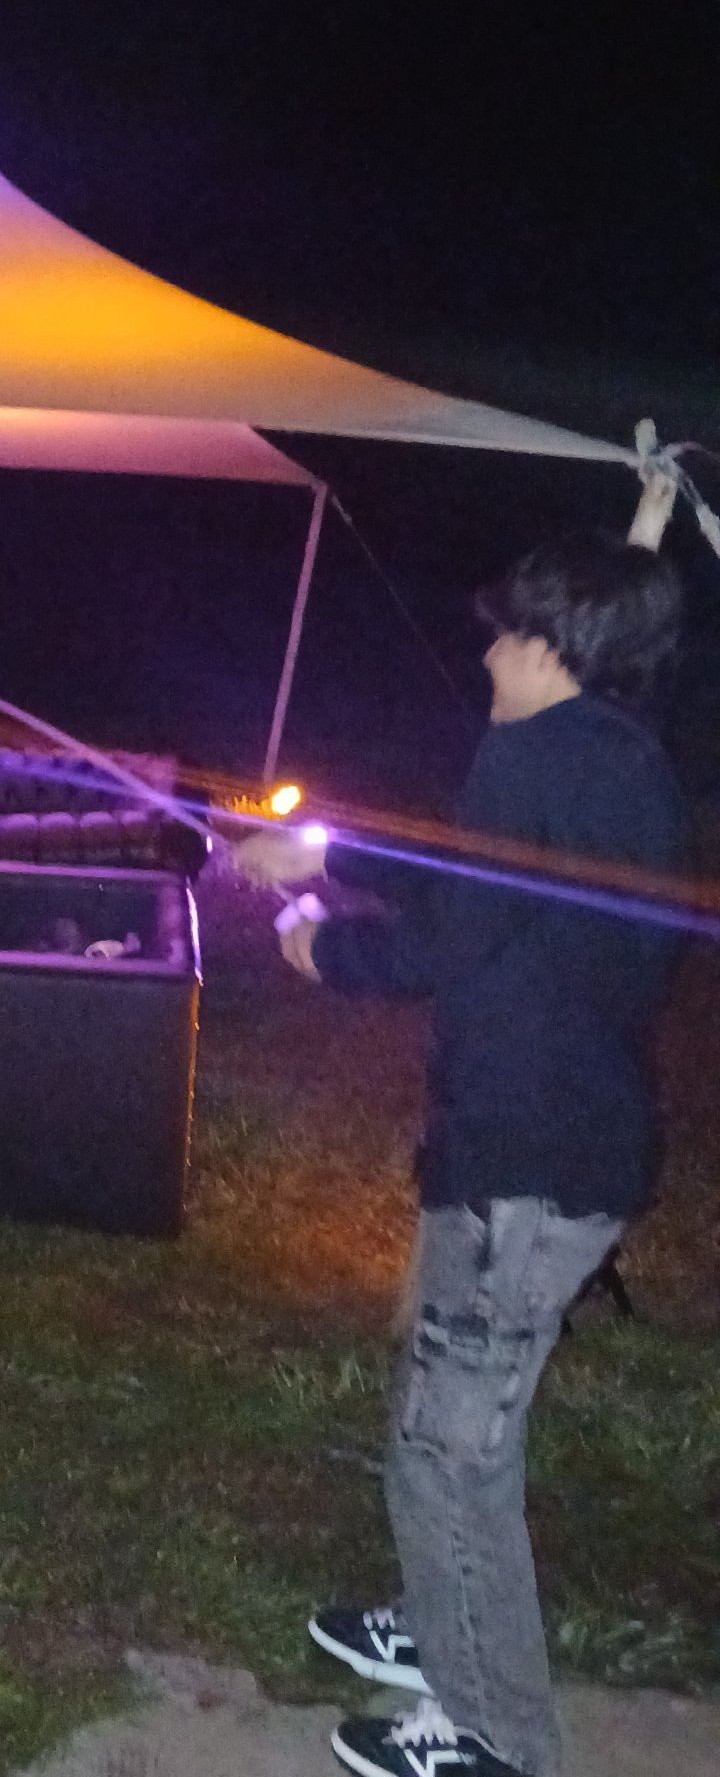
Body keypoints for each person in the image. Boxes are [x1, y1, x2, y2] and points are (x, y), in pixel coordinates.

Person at [234, 534, 688, 1777]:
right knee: (441, 1420)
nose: (488, 655)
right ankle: (444, 1622)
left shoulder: (531, 753)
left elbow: (445, 943)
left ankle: (495, 1730)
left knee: (451, 1453)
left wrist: (322, 948)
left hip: (523, 1169)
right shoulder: (620, 760)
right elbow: (482, 891)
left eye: (504, 635)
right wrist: (329, 856)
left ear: (551, 646)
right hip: (553, 1148)